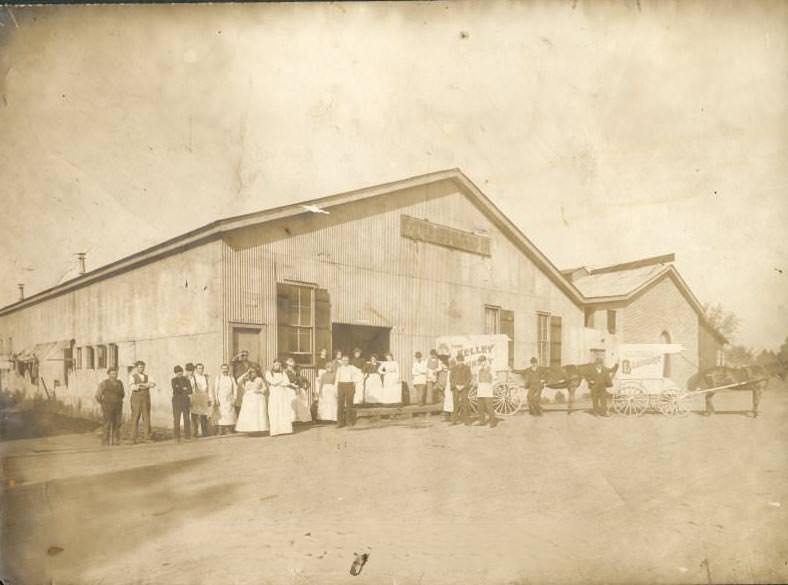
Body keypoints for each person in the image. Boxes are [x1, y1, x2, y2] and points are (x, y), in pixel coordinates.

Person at [95, 367, 125, 446]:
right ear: (108, 374)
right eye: (112, 374)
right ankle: (105, 441)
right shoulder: (104, 383)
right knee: (107, 423)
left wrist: (118, 401)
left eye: (115, 374)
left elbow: (122, 394)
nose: (114, 375)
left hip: (118, 406)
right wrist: (103, 403)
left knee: (117, 423)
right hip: (107, 406)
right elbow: (98, 395)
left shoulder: (120, 383)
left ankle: (115, 440)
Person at [266, 359, 296, 436]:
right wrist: (280, 381)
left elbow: (287, 382)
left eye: (279, 365)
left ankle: (285, 429)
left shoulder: (283, 373)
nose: (277, 366)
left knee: (283, 410)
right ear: (273, 365)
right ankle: (275, 431)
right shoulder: (269, 373)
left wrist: (279, 382)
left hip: (282, 394)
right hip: (274, 394)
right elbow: (272, 382)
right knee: (274, 411)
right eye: (276, 365)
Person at [235, 366, 269, 433]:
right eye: (251, 372)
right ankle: (249, 429)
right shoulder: (246, 379)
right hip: (248, 398)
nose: (253, 373)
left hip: (257, 398)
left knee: (257, 414)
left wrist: (259, 391)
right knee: (249, 414)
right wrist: (246, 373)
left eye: (254, 372)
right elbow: (238, 380)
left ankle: (257, 430)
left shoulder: (259, 379)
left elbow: (265, 388)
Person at [129, 360, 157, 443]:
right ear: (137, 368)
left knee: (146, 417)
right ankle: (133, 438)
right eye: (140, 367)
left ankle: (147, 437)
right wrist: (143, 385)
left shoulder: (147, 376)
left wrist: (145, 385)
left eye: (143, 367)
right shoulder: (132, 376)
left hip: (145, 399)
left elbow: (153, 384)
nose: (142, 368)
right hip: (136, 400)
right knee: (135, 417)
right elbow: (132, 387)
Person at [211, 363, 238, 434]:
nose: (225, 370)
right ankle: (220, 430)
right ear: (221, 369)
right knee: (221, 414)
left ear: (228, 369)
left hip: (229, 399)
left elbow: (235, 389)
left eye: (226, 368)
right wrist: (216, 399)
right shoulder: (218, 378)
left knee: (229, 415)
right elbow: (215, 389)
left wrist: (235, 398)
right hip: (221, 399)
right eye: (223, 368)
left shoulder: (231, 378)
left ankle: (228, 429)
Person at [336, 355, 362, 427]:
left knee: (349, 404)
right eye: (343, 360)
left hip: (349, 385)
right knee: (340, 404)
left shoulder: (352, 368)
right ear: (341, 361)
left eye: (346, 360)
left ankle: (349, 421)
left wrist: (355, 381)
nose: (345, 362)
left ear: (348, 361)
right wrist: (336, 389)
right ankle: (340, 422)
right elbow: (336, 380)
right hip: (341, 385)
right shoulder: (339, 368)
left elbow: (360, 374)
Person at [285, 357, 312, 423]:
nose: (290, 367)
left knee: (297, 404)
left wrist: (303, 387)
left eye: (292, 366)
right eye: (289, 366)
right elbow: (287, 382)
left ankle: (296, 419)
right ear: (287, 365)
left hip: (296, 389)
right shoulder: (286, 372)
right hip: (289, 389)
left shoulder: (294, 373)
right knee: (290, 403)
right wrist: (294, 385)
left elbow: (300, 381)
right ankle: (290, 419)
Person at [171, 365, 192, 441]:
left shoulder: (187, 380)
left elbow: (190, 390)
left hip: (185, 402)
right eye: (177, 372)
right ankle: (177, 436)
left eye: (180, 372)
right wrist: (184, 388)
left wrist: (181, 388)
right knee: (177, 419)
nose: (179, 373)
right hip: (176, 402)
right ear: (175, 373)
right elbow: (176, 389)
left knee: (186, 419)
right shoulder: (173, 380)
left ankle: (187, 435)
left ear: (182, 372)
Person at [190, 363, 212, 437]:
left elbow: (209, 389)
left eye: (202, 368)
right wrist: (190, 399)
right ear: (196, 369)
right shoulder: (193, 378)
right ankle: (194, 432)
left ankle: (204, 432)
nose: (201, 370)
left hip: (204, 399)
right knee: (194, 416)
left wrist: (209, 399)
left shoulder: (205, 378)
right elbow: (190, 389)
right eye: (199, 368)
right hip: (196, 398)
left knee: (204, 416)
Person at [449, 354, 472, 425]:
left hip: (464, 388)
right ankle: (454, 421)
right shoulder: (453, 368)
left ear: (463, 361)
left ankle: (466, 421)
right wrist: (455, 386)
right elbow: (451, 378)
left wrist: (464, 386)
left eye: (461, 361)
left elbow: (469, 378)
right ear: (457, 361)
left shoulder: (467, 368)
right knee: (455, 404)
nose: (460, 362)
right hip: (455, 388)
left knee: (464, 404)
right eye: (458, 361)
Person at [475, 356, 498, 427]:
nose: (481, 363)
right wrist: (478, 385)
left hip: (488, 389)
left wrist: (491, 386)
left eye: (482, 361)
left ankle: (492, 422)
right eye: (480, 361)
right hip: (480, 389)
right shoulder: (479, 369)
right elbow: (477, 380)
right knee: (480, 407)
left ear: (485, 361)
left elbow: (495, 379)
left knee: (489, 407)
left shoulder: (490, 369)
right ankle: (482, 421)